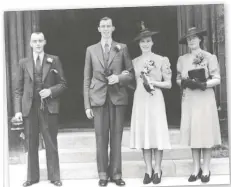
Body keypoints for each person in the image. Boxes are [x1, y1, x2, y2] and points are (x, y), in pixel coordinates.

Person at [83, 17, 134, 186]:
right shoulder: (91, 50)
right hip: (98, 99)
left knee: (117, 138)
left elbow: (131, 75)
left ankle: (117, 174)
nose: (105, 29)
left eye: (108, 26)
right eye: (103, 26)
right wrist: (87, 105)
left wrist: (118, 78)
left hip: (117, 98)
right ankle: (103, 174)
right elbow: (86, 78)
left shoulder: (122, 48)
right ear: (98, 29)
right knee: (100, 138)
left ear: (113, 28)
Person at [14, 32, 67, 187]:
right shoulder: (24, 63)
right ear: (30, 43)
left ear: (44, 42)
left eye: (40, 41)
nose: (37, 44)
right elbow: (18, 89)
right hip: (29, 108)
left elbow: (63, 84)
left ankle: (54, 176)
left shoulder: (54, 60)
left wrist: (51, 91)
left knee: (51, 142)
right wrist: (18, 110)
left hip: (48, 107)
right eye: (34, 41)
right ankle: (32, 177)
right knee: (31, 143)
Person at [176, 27, 221, 183]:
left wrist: (203, 84)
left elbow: (217, 78)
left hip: (205, 98)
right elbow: (178, 79)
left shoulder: (210, 57)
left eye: (194, 37)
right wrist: (184, 82)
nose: (192, 40)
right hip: (190, 99)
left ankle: (206, 168)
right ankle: (196, 168)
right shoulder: (182, 59)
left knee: (205, 132)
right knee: (194, 133)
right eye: (189, 39)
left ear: (200, 39)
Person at [130, 22, 171, 185]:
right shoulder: (134, 62)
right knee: (144, 133)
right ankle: (148, 170)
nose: (145, 44)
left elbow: (168, 84)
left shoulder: (161, 60)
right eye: (142, 41)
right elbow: (131, 82)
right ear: (139, 44)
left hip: (155, 99)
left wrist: (153, 82)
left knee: (156, 133)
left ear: (152, 42)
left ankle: (158, 169)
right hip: (140, 99)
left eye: (148, 41)